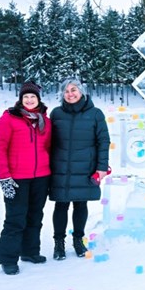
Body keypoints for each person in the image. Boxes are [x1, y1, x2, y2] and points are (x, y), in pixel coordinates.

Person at [0, 81, 51, 275]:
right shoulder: (9, 119)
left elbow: (48, 148)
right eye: (26, 96)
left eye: (32, 96)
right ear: (20, 99)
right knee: (15, 219)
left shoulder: (45, 121)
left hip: (41, 176)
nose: (29, 99)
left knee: (35, 216)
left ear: (38, 99)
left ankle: (30, 251)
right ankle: (8, 259)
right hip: (17, 178)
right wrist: (4, 178)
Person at [49, 78, 110, 260]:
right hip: (61, 168)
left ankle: (78, 240)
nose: (70, 94)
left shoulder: (96, 114)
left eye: (73, 90)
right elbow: (48, 141)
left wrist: (101, 167)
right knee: (61, 205)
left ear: (81, 91)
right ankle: (59, 244)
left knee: (80, 204)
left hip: (85, 168)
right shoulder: (56, 114)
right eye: (66, 91)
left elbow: (103, 141)